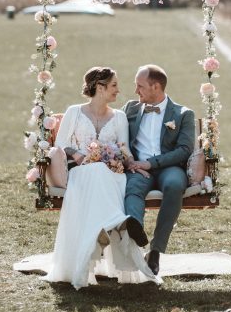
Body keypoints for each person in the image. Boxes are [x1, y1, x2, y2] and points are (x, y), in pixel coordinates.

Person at [44, 66, 160, 290]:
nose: (118, 90)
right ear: (100, 87)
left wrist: (132, 164)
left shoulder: (119, 117)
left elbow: (124, 149)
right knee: (95, 171)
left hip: (111, 173)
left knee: (103, 173)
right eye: (114, 85)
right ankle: (115, 223)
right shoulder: (74, 112)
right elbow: (60, 144)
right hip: (82, 172)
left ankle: (106, 229)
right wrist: (77, 155)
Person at [123, 64, 195, 276]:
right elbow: (118, 137)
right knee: (132, 187)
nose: (136, 90)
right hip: (138, 168)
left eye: (140, 86)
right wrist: (131, 163)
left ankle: (155, 251)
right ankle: (135, 232)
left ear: (155, 86)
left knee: (174, 185)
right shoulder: (130, 109)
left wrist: (152, 163)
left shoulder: (183, 114)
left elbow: (184, 150)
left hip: (168, 167)